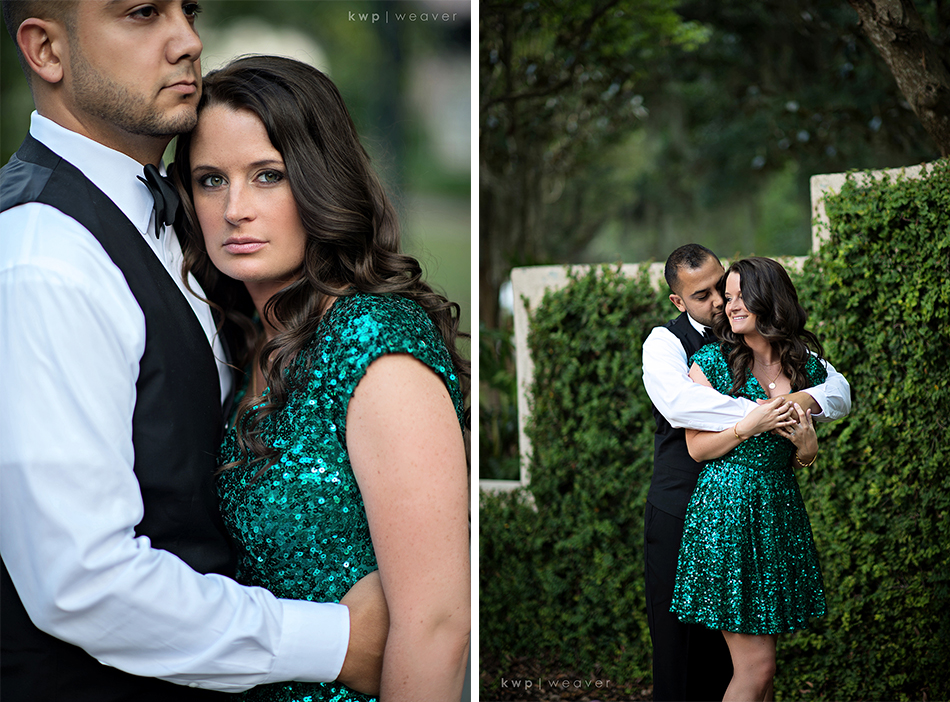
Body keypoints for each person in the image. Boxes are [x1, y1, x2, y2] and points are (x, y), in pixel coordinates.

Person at [0, 2, 386, 700]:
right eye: (143, 13)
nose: (188, 41)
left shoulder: (176, 225)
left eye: (190, 9)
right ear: (46, 50)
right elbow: (83, 582)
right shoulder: (45, 259)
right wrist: (338, 642)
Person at [170, 55, 471, 702]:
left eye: (268, 176)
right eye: (211, 180)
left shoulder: (374, 341)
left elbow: (437, 628)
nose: (235, 209)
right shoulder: (243, 342)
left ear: (319, 180)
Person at [641, 244, 850, 701]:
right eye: (705, 295)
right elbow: (681, 406)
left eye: (726, 288)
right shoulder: (670, 344)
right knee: (685, 659)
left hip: (770, 515)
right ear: (678, 300)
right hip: (694, 511)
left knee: (751, 670)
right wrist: (759, 416)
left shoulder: (789, 358)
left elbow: (837, 390)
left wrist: (804, 437)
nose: (721, 301)